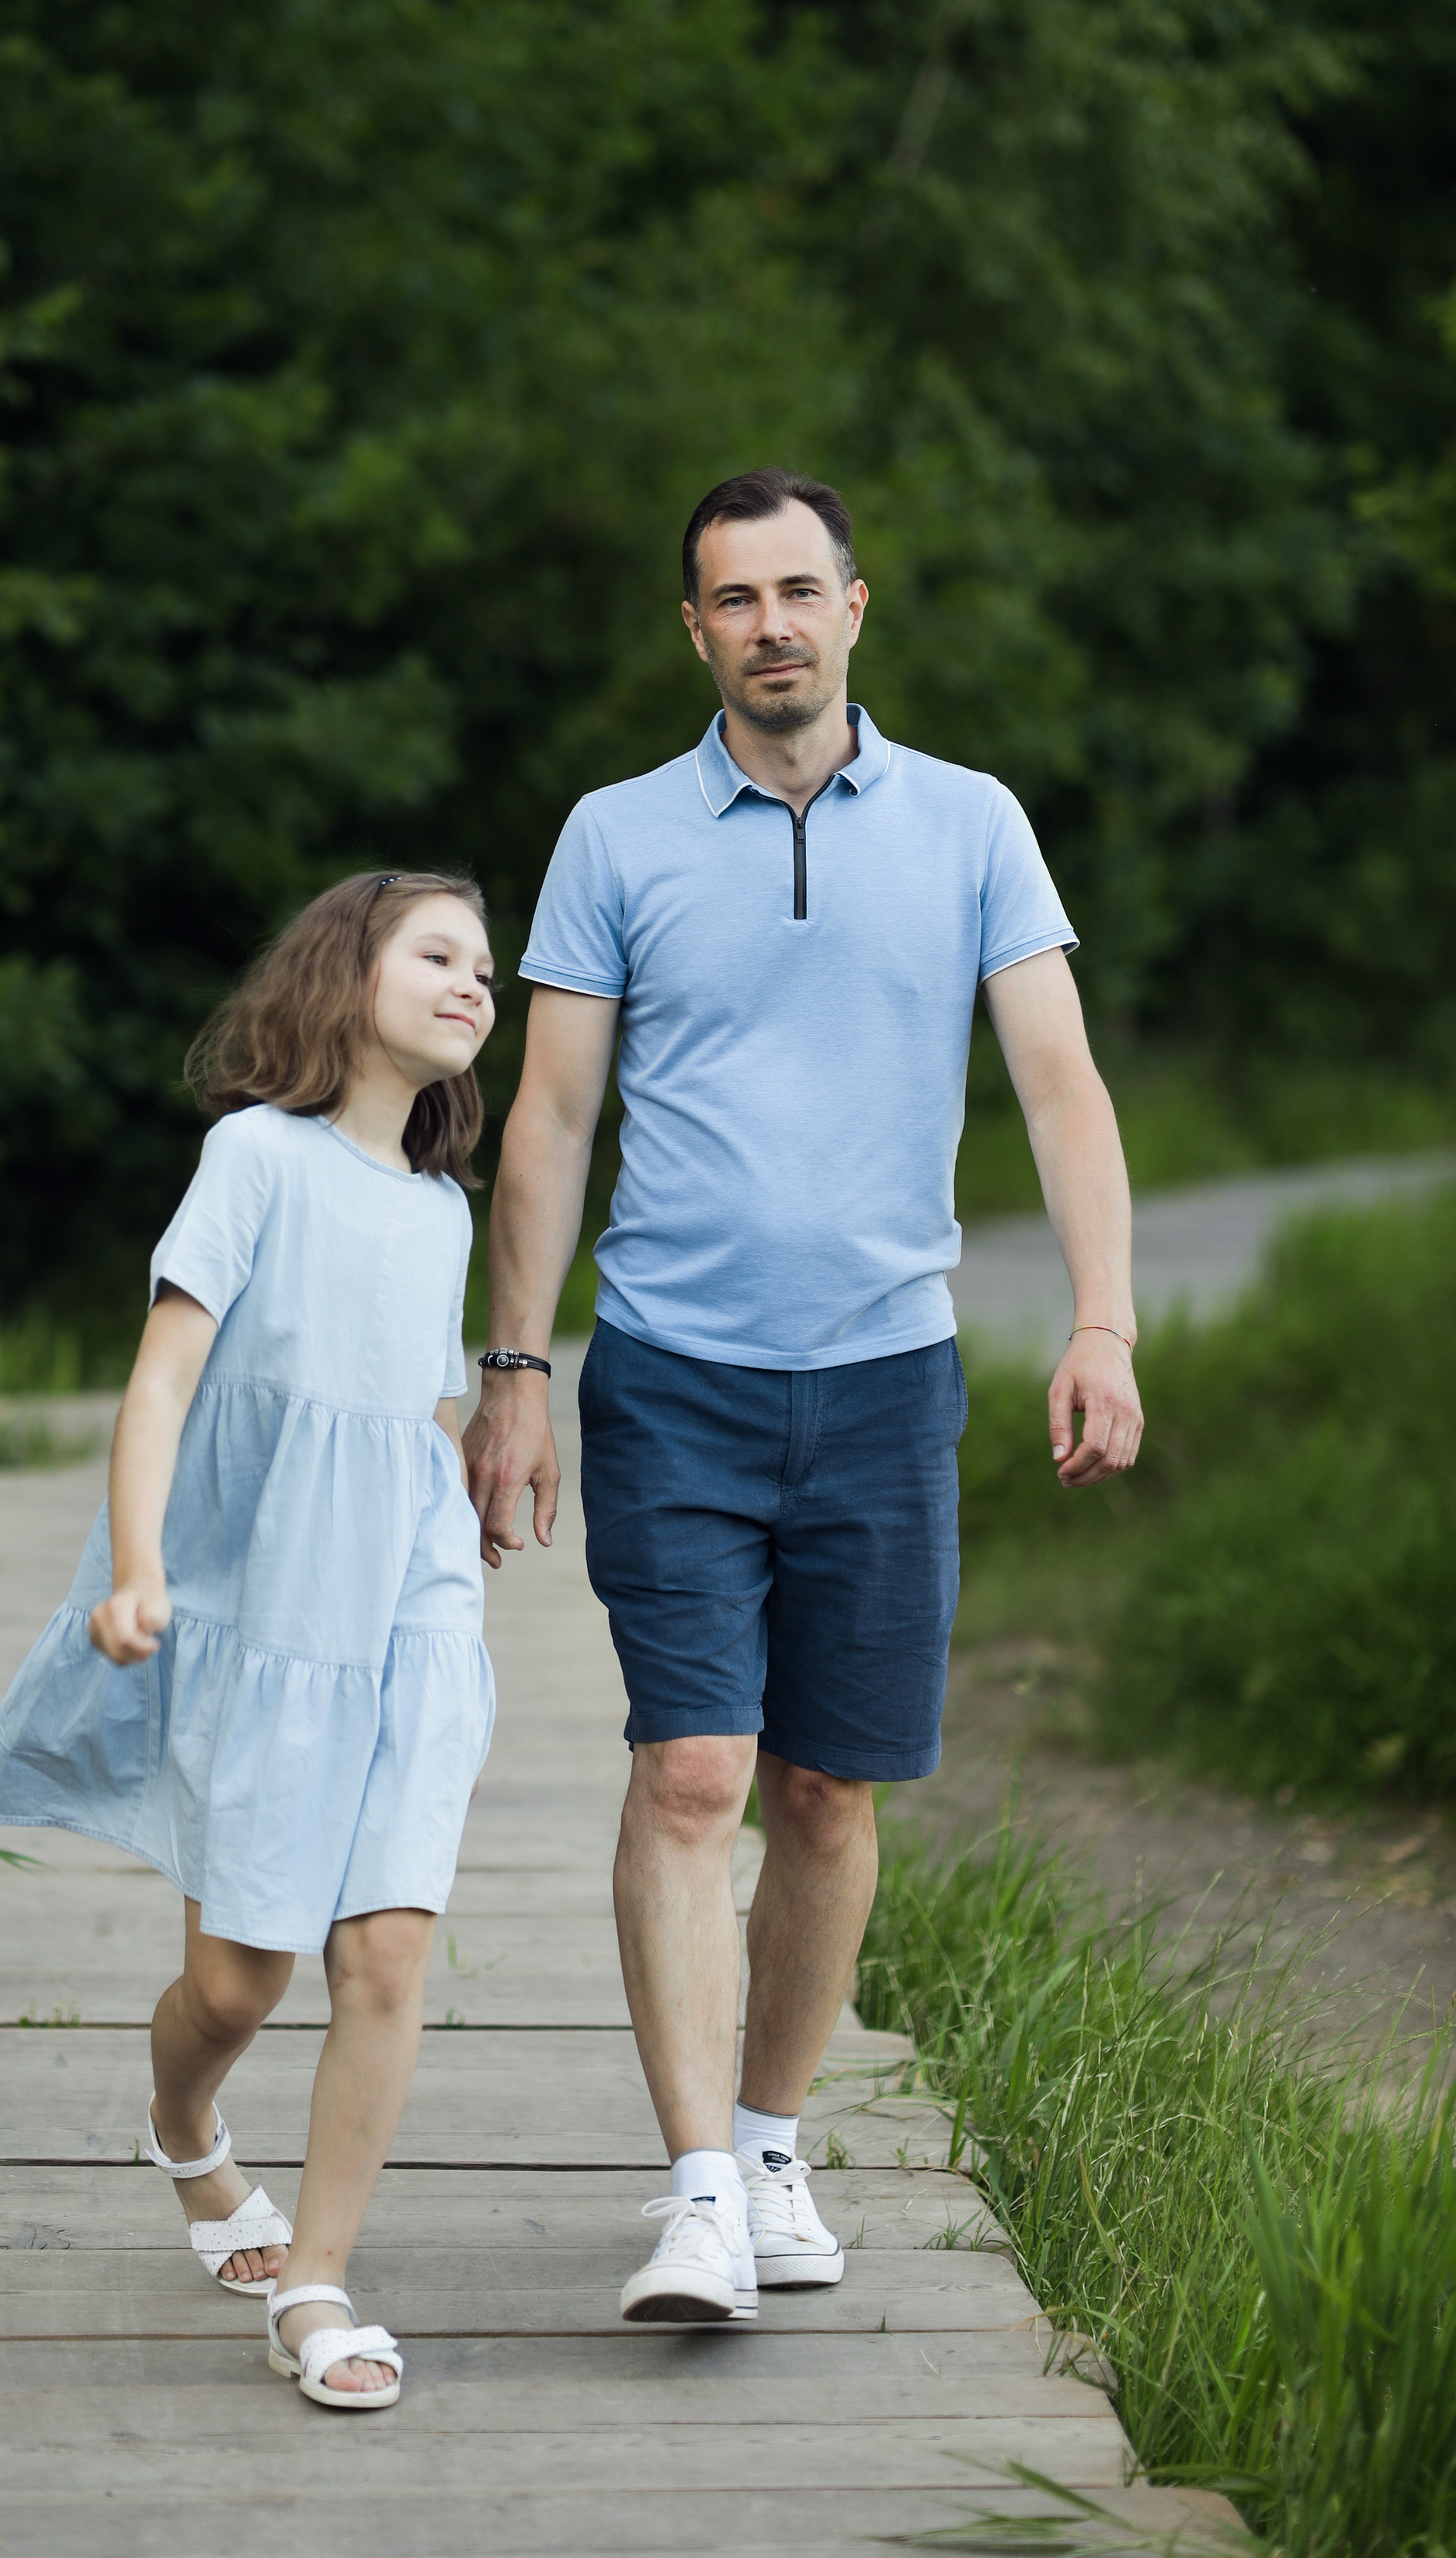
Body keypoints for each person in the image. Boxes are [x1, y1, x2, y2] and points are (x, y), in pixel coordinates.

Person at [464, 467, 1142, 2327]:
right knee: (689, 1771)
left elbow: (1059, 1085)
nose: (767, 622)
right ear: (692, 632)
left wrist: (1102, 1322)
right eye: (730, 598)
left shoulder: (971, 825)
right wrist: (512, 1370)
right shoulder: (612, 836)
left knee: (827, 1789)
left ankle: (770, 2140)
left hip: (880, 1381)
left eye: (796, 589)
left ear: (856, 607)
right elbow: (547, 1118)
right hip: (671, 1374)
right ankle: (692, 2187)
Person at [0, 871, 499, 2411]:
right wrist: (136, 1569)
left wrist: (467, 1504)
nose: (474, 985)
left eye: (487, 970)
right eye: (441, 954)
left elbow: (425, 1407)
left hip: (406, 1603)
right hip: (262, 1607)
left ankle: (317, 2283)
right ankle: (183, 2127)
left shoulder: (436, 1205)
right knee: (239, 1987)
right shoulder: (254, 1158)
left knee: (386, 1944)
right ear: (348, 973)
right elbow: (159, 1387)